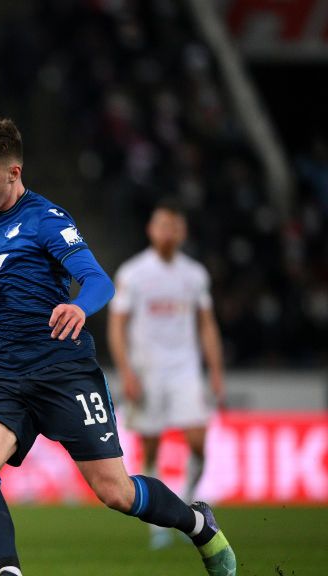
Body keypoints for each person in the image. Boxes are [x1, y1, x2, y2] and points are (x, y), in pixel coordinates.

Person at [0, 115, 235, 576]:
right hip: (4, 378)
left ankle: (198, 524)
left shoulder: (46, 220)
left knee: (115, 492)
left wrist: (78, 307)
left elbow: (97, 280)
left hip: (63, 373)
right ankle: (8, 571)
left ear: (13, 172)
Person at [108, 199, 226, 549]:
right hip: (147, 371)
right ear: (151, 230)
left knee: (198, 443)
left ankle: (187, 504)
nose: (168, 232)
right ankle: (158, 524)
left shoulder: (195, 275)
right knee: (151, 449)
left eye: (174, 226)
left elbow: (207, 325)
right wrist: (127, 371)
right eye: (163, 225)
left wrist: (215, 370)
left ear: (183, 231)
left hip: (185, 369)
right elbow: (117, 326)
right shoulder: (133, 273)